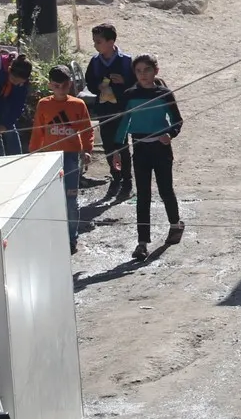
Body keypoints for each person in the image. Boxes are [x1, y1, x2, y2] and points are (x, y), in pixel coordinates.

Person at [116, 55, 185, 260]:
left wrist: (169, 134)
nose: (143, 75)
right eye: (138, 71)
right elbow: (123, 124)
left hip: (161, 148)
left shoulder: (164, 94)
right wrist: (118, 151)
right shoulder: (129, 95)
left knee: (165, 189)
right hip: (140, 149)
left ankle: (175, 225)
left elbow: (177, 121)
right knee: (143, 195)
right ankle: (142, 243)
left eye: (147, 70)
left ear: (156, 70)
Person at [30, 65, 94, 253]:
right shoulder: (44, 104)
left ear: (70, 84)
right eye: (56, 86)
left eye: (64, 85)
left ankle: (71, 239)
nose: (60, 89)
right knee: (51, 199)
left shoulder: (78, 105)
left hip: (71, 157)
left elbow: (87, 129)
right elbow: (37, 131)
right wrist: (33, 154)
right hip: (49, 158)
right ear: (50, 85)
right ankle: (53, 236)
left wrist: (87, 150)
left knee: (70, 199)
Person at [85, 24, 136, 201]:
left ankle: (127, 181)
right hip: (104, 110)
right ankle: (115, 178)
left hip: (121, 109)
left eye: (98, 42)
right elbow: (89, 81)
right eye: (94, 42)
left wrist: (123, 81)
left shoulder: (126, 61)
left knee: (121, 145)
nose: (95, 45)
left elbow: (135, 84)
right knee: (108, 145)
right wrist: (97, 86)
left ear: (111, 41)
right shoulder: (95, 62)